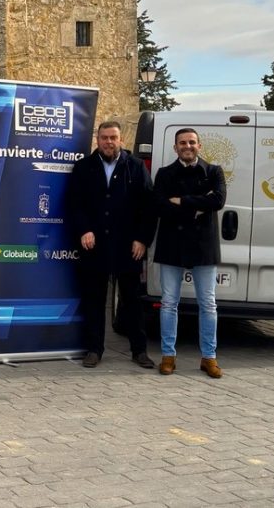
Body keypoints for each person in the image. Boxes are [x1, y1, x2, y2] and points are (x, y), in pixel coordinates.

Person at [65, 120, 157, 369]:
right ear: (97, 140)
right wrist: (84, 229)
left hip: (128, 247)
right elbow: (75, 203)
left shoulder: (135, 166)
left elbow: (148, 207)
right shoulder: (83, 167)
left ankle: (139, 351)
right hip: (94, 246)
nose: (108, 142)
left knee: (132, 301)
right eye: (104, 137)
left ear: (121, 140)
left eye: (113, 138)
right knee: (94, 300)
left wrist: (142, 239)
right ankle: (94, 350)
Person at [152, 127, 227, 378]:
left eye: (192, 142)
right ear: (175, 148)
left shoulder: (213, 171)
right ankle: (168, 356)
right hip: (172, 244)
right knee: (168, 303)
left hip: (203, 246)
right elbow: (160, 206)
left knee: (208, 304)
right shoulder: (164, 174)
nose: (188, 146)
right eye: (182, 143)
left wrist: (182, 201)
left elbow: (218, 201)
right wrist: (198, 207)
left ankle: (209, 358)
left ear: (199, 145)